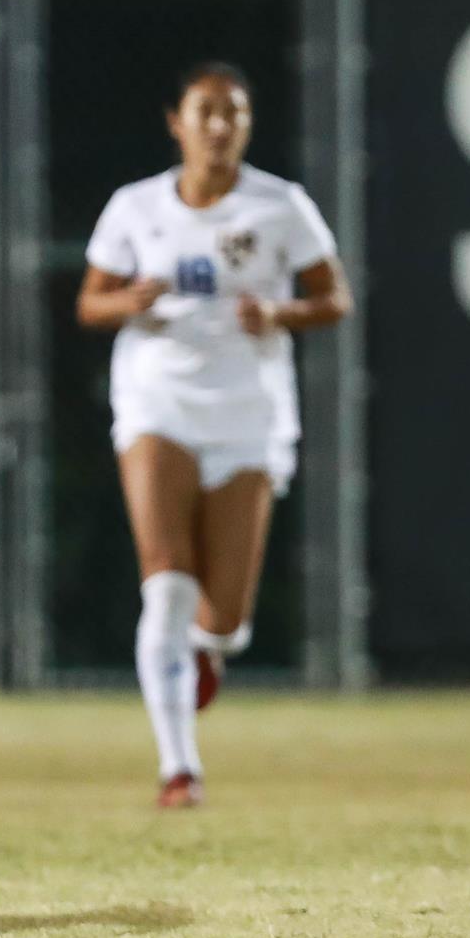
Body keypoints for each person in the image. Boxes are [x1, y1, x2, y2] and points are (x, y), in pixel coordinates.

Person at [77, 62, 352, 808]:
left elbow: (334, 297)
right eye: (206, 111)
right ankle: (179, 769)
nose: (221, 126)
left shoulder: (279, 205)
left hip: (248, 411)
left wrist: (281, 314)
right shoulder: (136, 207)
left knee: (224, 615)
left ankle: (208, 651)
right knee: (165, 578)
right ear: (178, 121)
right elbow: (90, 303)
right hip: (157, 401)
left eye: (234, 113)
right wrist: (129, 299)